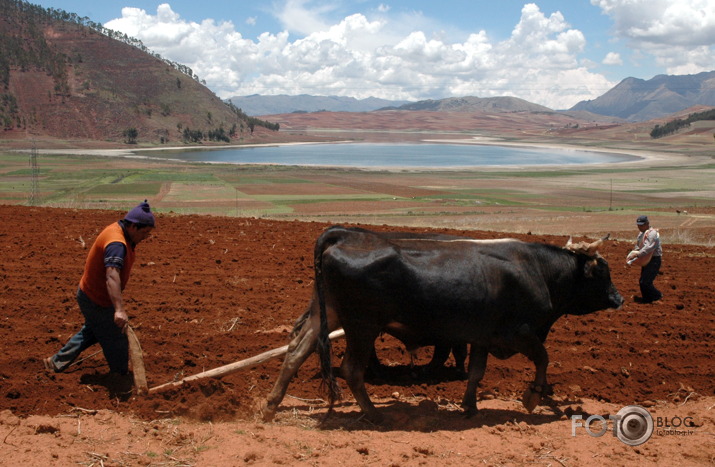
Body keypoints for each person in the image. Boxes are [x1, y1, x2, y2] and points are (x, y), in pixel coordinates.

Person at [44, 200, 156, 377]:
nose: (145, 237)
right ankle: (119, 377)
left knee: (93, 330)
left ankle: (55, 363)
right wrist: (119, 310)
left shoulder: (120, 230)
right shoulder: (116, 243)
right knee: (116, 338)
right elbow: (111, 275)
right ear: (133, 226)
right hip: (96, 299)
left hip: (89, 294)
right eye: (144, 233)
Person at [628, 215, 663, 303]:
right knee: (642, 281)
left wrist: (638, 254)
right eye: (638, 225)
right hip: (646, 259)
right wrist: (633, 253)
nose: (639, 227)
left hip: (654, 260)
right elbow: (638, 246)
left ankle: (657, 296)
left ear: (647, 224)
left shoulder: (652, 234)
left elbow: (648, 247)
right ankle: (647, 299)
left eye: (641, 225)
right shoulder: (641, 234)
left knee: (645, 282)